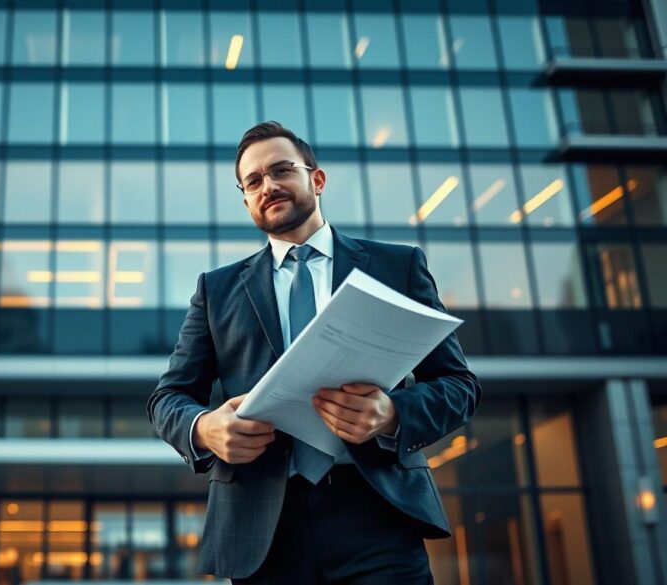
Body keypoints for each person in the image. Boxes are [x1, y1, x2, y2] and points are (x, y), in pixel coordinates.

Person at [147, 121, 481, 584]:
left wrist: (392, 414)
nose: (269, 186)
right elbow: (168, 398)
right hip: (261, 530)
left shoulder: (396, 266)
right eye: (254, 181)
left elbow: (459, 386)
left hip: (378, 514)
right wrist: (205, 427)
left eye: (281, 170)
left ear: (316, 179)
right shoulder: (217, 290)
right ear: (246, 199)